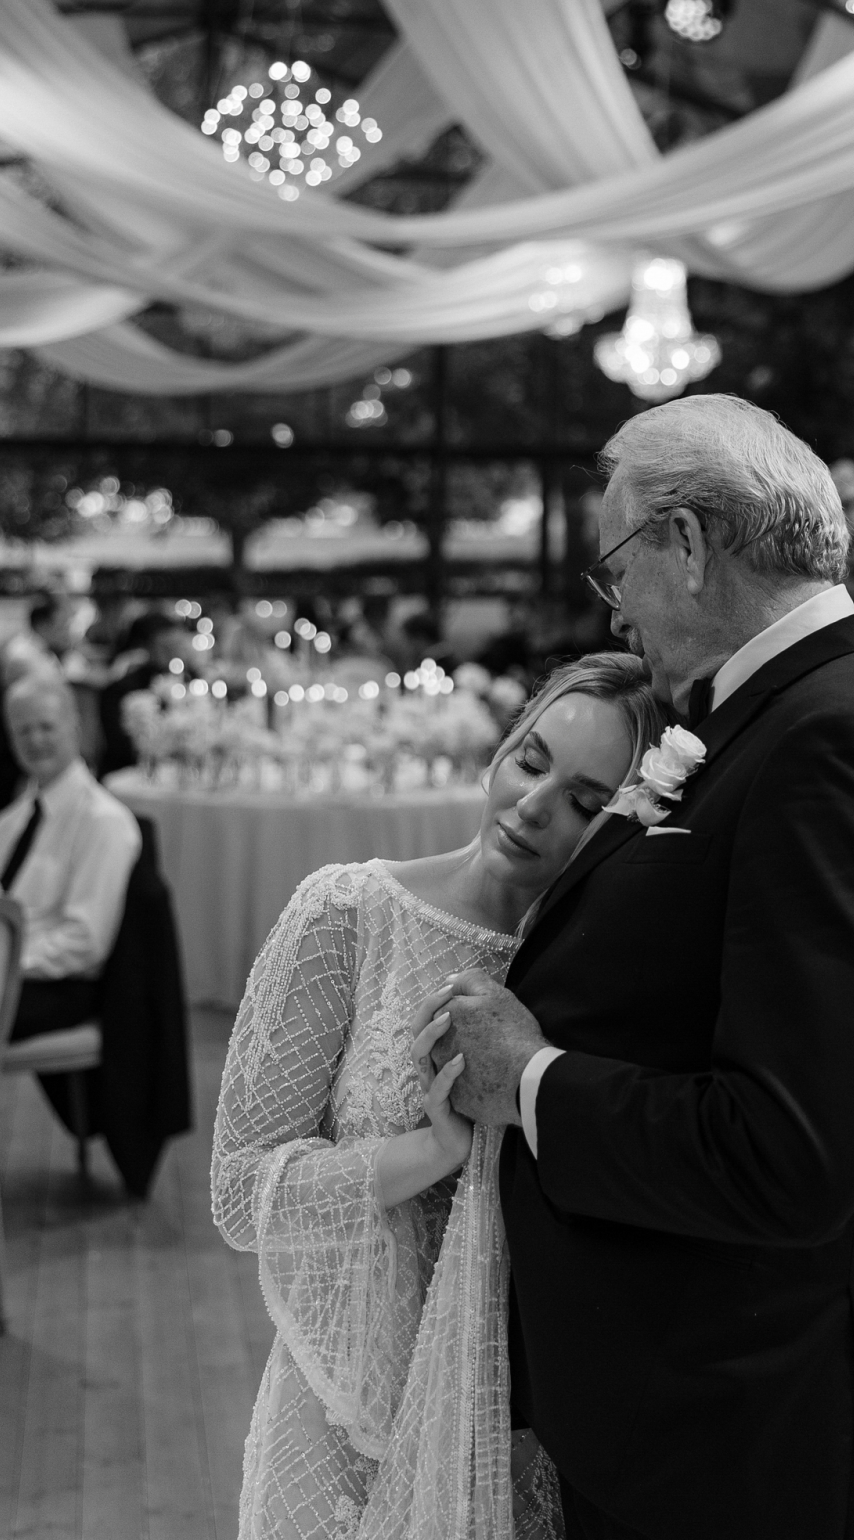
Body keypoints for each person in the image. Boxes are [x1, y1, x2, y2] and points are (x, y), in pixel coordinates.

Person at [432, 394, 854, 1540]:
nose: (616, 606)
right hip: (670, 1402)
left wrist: (530, 1079)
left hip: (726, 1433)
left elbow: (788, 1154)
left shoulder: (842, 741)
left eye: (616, 566)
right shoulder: (778, 716)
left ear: (684, 544)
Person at [212, 652, 662, 1540]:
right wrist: (429, 1150)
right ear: (501, 748)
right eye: (531, 761)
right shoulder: (349, 912)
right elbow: (238, 1192)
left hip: (517, 1423)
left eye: (584, 801)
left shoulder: (606, 982)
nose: (532, 807)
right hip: (347, 1407)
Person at [0, 674, 140, 1041]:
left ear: (75, 729)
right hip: (4, 969)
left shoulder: (102, 822)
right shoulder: (7, 824)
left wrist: (4, 964)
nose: (35, 740)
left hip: (60, 985)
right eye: (22, 731)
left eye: (46, 727)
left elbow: (85, 942)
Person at [0, 593, 74, 817]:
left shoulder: (36, 650)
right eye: (62, 624)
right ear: (43, 624)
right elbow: (45, 700)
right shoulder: (23, 657)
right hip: (9, 756)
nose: (67, 630)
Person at [98, 610, 190, 778]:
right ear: (146, 647)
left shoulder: (190, 683)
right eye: (166, 648)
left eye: (178, 647)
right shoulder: (122, 689)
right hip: (131, 773)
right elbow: (119, 747)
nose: (175, 655)